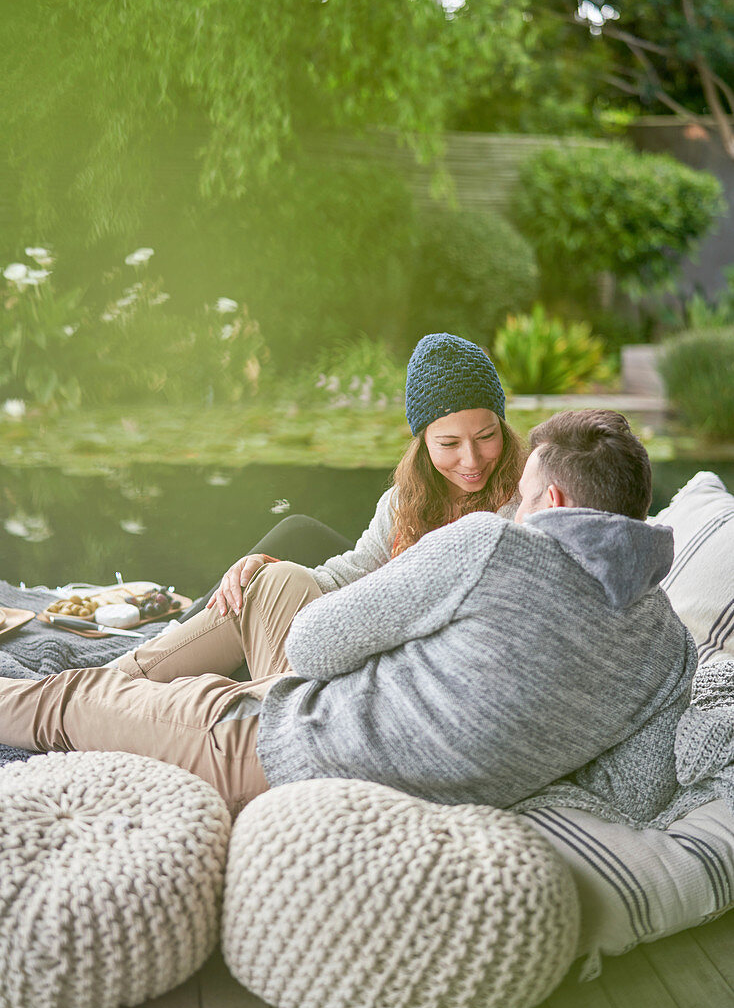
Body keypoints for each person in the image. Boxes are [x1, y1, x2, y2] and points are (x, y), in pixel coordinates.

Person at [0, 408, 696, 825]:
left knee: (72, 699)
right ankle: (148, 675)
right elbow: (637, 791)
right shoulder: (670, 645)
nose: (514, 500)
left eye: (528, 491)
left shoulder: (492, 546)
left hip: (286, 754)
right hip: (394, 774)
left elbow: (311, 644)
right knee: (270, 588)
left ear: (557, 502)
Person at [107, 331, 525, 682]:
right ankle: (113, 679)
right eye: (449, 444)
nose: (471, 460)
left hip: (407, 664)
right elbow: (355, 570)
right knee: (265, 575)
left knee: (287, 560)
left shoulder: (522, 503)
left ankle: (123, 679)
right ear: (422, 443)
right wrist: (270, 577)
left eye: (487, 436)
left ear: (502, 426)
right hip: (364, 631)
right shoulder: (403, 500)